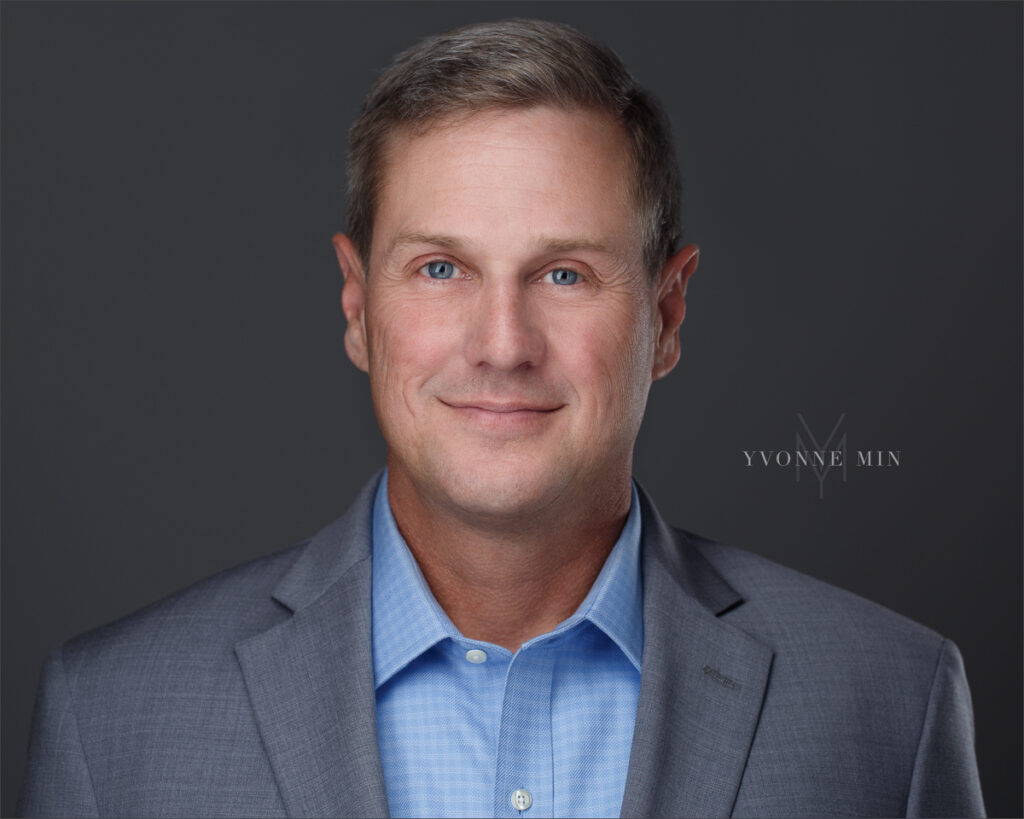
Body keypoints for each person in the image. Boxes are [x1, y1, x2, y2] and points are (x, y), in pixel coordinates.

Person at [19, 19, 984, 818]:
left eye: (564, 273)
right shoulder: (112, 720)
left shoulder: (888, 702)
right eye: (441, 268)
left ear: (667, 313)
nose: (502, 343)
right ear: (358, 306)